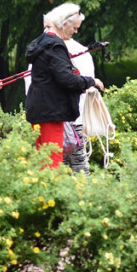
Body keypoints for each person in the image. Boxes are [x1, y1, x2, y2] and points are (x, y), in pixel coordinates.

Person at [24, 2, 104, 168]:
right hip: (50, 112)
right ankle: (53, 193)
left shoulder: (42, 42)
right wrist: (91, 81)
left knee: (43, 161)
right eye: (74, 28)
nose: (75, 32)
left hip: (39, 110)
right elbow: (66, 78)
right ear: (64, 23)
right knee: (52, 163)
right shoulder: (55, 45)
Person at [62, 11, 97, 172]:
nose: (76, 31)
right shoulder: (45, 49)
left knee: (77, 161)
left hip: (74, 117)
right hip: (54, 117)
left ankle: (83, 195)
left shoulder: (81, 51)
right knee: (58, 162)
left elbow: (86, 84)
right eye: (75, 28)